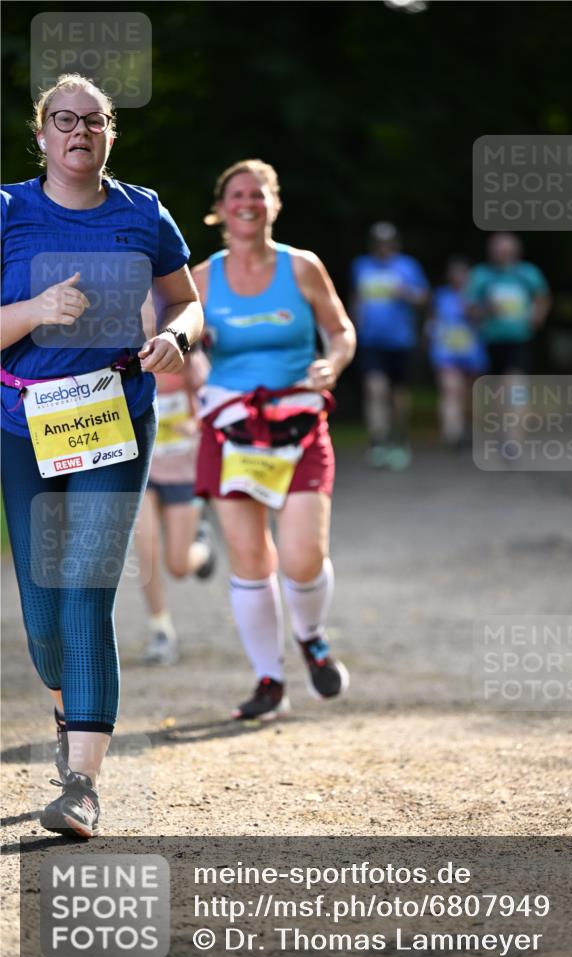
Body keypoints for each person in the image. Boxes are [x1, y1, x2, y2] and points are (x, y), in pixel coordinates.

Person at [0, 74, 203, 837]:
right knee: (45, 617)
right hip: (24, 424)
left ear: (110, 133)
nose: (79, 131)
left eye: (94, 120)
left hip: (116, 418)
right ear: (42, 134)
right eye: (64, 120)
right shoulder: (8, 210)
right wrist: (34, 310)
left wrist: (177, 337)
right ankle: (66, 703)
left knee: (86, 592)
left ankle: (81, 784)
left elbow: (186, 299)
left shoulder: (143, 212)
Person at [192, 159, 356, 721]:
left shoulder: (303, 267)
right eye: (237, 194)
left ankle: (311, 636)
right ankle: (269, 680)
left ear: (274, 204)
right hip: (231, 428)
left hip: (299, 423)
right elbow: (180, 343)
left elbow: (340, 331)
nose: (248, 203)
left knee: (303, 554)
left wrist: (332, 364)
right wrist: (193, 366)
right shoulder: (202, 278)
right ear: (222, 207)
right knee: (247, 556)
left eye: (258, 195)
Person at [133, 306, 216, 665]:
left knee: (178, 565)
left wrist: (196, 427)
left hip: (183, 468)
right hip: (143, 466)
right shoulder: (124, 359)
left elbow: (215, 409)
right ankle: (161, 631)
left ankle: (203, 549)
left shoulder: (189, 360)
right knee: (145, 551)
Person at [351, 222, 429, 470]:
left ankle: (400, 439)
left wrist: (406, 293)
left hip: (400, 341)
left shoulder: (408, 266)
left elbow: (423, 297)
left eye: (387, 242)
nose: (383, 247)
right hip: (371, 340)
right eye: (378, 243)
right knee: (375, 390)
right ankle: (378, 442)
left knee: (398, 395)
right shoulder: (361, 266)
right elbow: (357, 299)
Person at [465, 232, 550, 375]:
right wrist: (485, 310)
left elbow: (542, 298)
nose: (501, 254)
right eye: (497, 250)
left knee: (515, 378)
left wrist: (538, 317)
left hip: (520, 337)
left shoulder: (528, 272)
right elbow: (469, 305)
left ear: (516, 252)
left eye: (505, 251)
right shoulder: (481, 274)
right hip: (488, 339)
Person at [427, 256, 487, 447]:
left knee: (469, 396)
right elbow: (432, 323)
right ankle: (453, 436)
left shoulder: (476, 296)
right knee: (451, 391)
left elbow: (484, 321)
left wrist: (473, 310)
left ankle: (469, 431)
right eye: (454, 273)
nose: (458, 277)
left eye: (462, 273)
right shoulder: (441, 296)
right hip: (446, 353)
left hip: (472, 354)